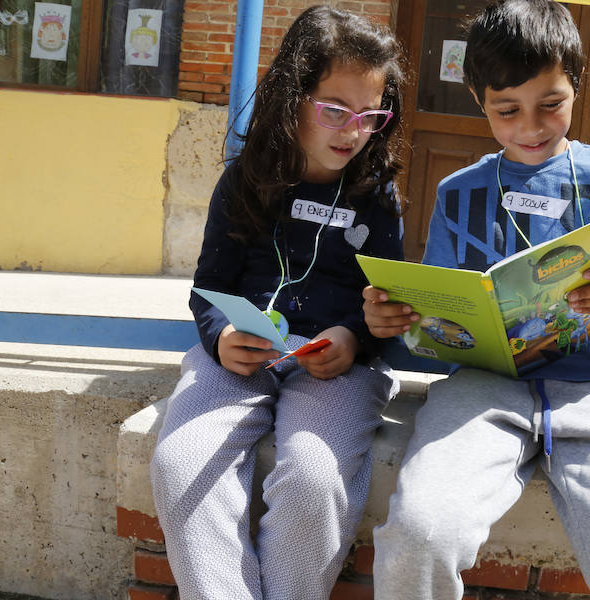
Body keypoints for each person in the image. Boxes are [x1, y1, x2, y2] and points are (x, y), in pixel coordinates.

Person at [362, 1, 590, 598]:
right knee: (419, 534)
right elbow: (432, 334)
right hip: (481, 392)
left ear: (577, 83)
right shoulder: (458, 191)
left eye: (552, 104)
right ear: (477, 99)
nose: (531, 127)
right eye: (506, 110)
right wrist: (399, 321)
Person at [149, 6, 405, 600]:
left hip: (334, 370)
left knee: (315, 480)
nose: (352, 130)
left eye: (371, 115)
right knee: (182, 462)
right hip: (242, 361)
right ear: (294, 98)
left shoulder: (376, 194)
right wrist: (219, 336)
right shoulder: (246, 179)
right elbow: (209, 286)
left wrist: (355, 337)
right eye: (335, 110)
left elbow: (382, 306)